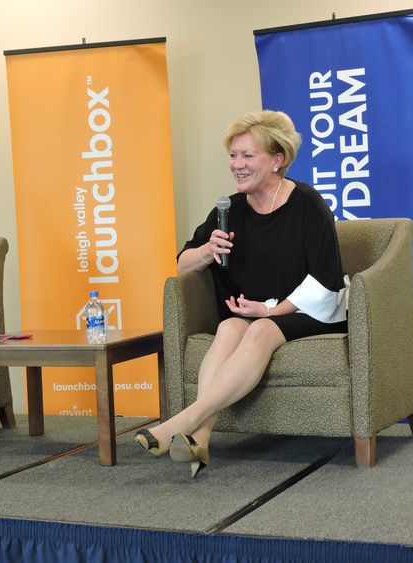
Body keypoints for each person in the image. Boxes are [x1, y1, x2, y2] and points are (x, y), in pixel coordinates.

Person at [135, 110, 348, 477]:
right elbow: (182, 265)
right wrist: (205, 251)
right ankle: (200, 438)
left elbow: (325, 277)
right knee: (231, 328)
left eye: (248, 156)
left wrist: (274, 311)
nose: (237, 165)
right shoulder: (228, 211)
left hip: (309, 309)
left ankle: (180, 422)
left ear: (277, 160)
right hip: (251, 310)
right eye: (233, 156)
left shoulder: (307, 204)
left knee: (260, 329)